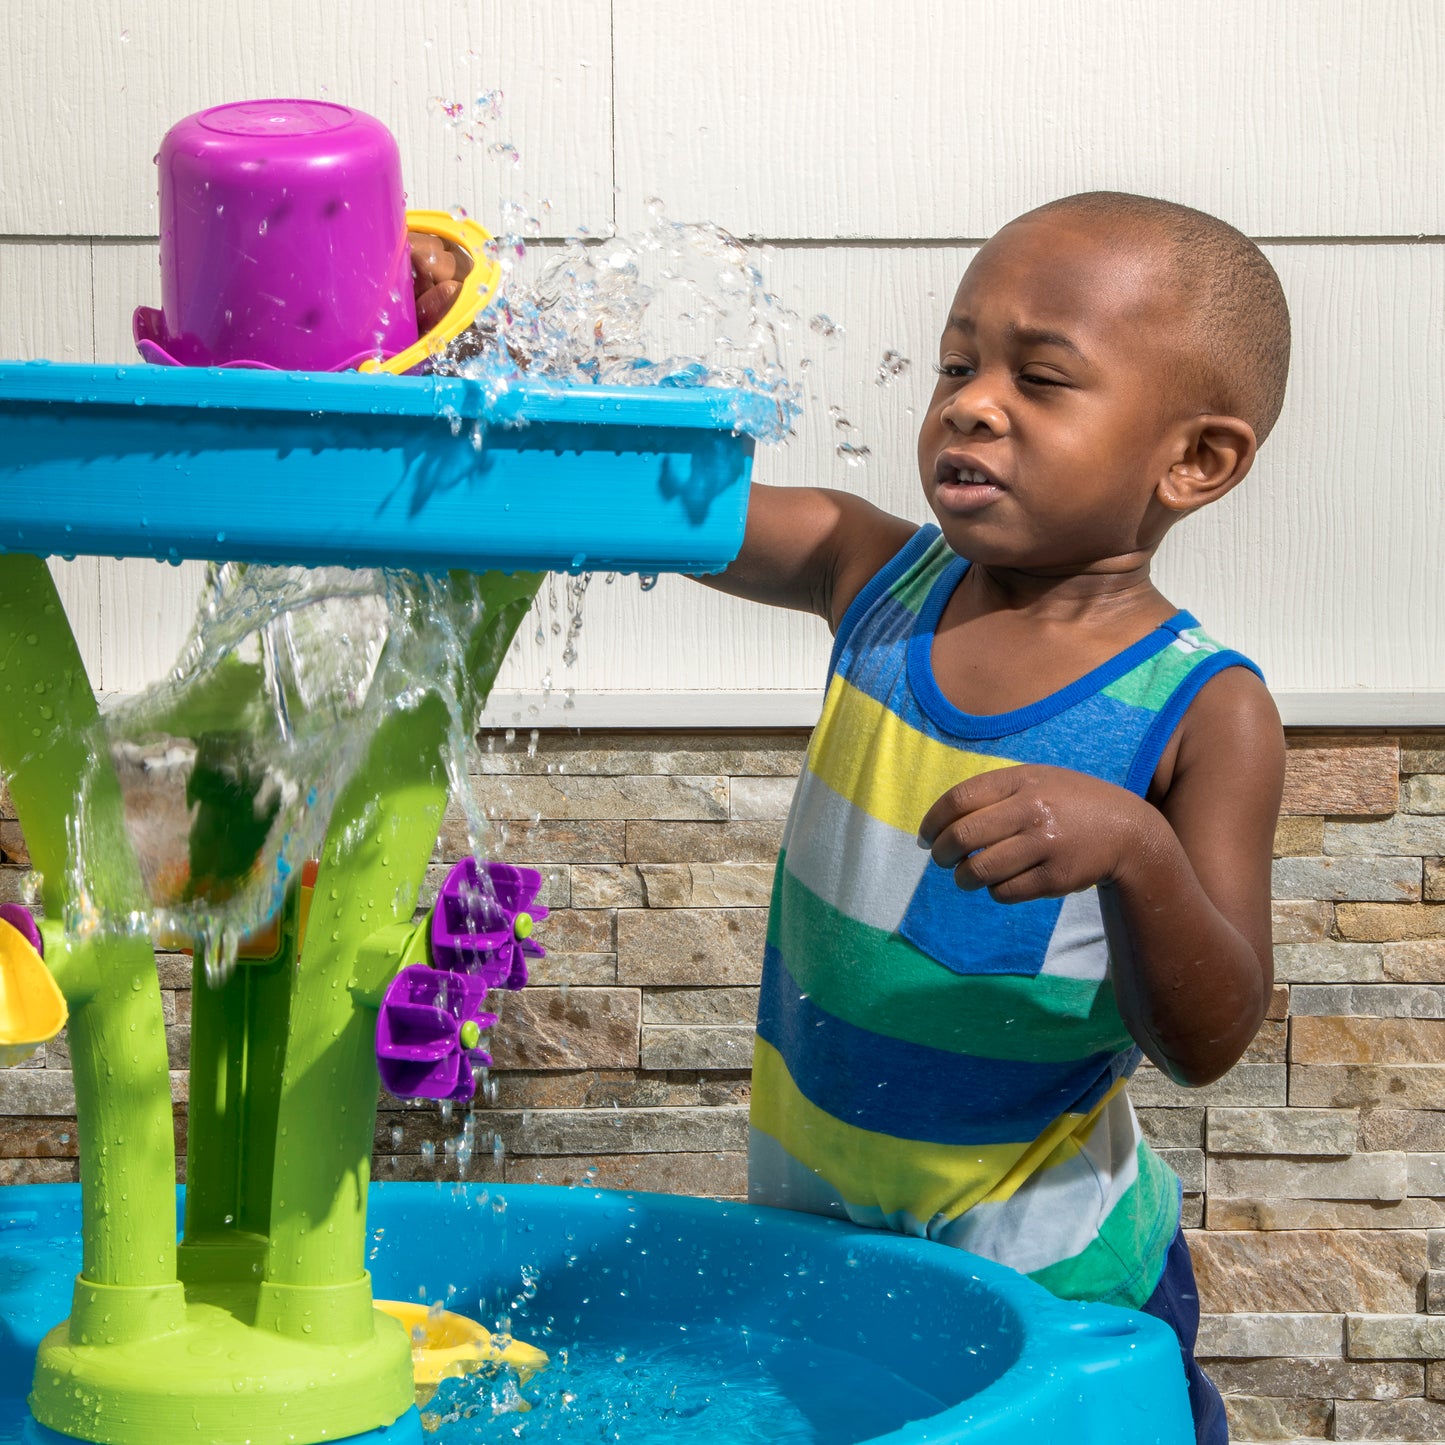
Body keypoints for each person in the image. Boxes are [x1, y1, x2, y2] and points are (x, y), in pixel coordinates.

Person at [698, 191, 1291, 1445]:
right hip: (825, 1233)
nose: (970, 401)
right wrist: (490, 399)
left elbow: (1210, 1032)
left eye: (1041, 378)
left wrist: (1135, 851)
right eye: (958, 363)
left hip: (1050, 1272)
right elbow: (668, 509)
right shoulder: (869, 576)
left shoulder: (1197, 709)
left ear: (1192, 460)